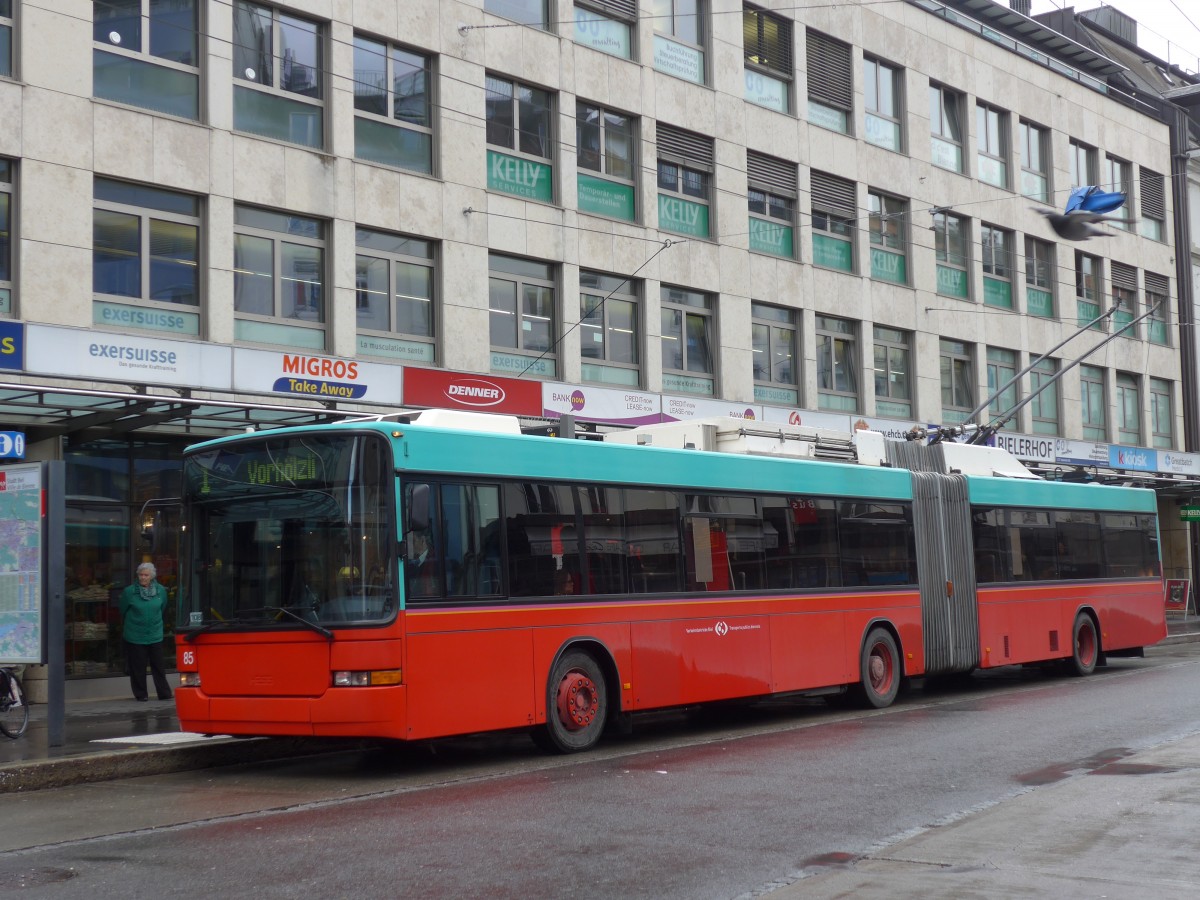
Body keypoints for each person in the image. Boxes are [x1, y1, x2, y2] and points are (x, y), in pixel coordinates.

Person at [120, 562, 173, 702]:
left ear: (152, 576)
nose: (143, 577)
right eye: (141, 575)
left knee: (159, 666)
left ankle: (164, 693)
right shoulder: (129, 592)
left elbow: (162, 608)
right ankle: (141, 694)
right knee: (138, 667)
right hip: (135, 635)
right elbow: (123, 610)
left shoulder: (161, 591)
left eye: (146, 575)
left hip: (155, 634)